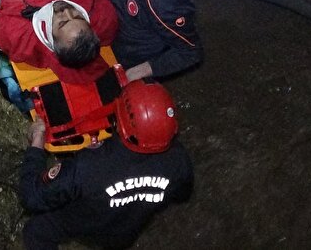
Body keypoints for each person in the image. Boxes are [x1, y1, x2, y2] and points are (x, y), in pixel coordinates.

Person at [18, 79, 194, 249]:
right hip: (125, 233)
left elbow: (32, 197)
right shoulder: (179, 162)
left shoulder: (89, 164)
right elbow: (182, 194)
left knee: (37, 231)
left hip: (87, 222)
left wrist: (36, 145)